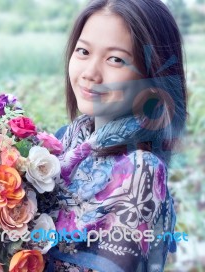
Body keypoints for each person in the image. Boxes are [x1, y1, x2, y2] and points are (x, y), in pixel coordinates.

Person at [40, 0, 187, 271]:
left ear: (152, 74)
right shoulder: (63, 143)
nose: (90, 73)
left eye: (116, 59)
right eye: (83, 51)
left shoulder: (141, 170)